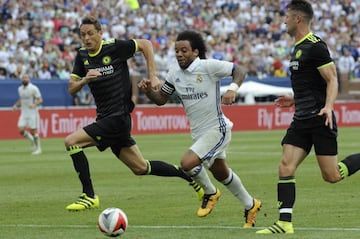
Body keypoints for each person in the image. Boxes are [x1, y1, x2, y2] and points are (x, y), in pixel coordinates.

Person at [64, 16, 204, 211]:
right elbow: (72, 88)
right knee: (141, 168)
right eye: (82, 35)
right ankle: (188, 176)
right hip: (105, 118)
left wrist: (152, 75)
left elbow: (145, 44)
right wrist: (84, 80)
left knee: (71, 142)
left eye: (90, 34)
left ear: (99, 33)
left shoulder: (114, 47)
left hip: (118, 117)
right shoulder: (82, 56)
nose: (86, 38)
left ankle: (89, 195)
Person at [256, 0, 360, 234]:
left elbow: (332, 79)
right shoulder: (297, 47)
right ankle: (284, 223)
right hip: (301, 119)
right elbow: (310, 84)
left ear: (298, 19)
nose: (283, 20)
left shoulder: (316, 46)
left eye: (286, 17)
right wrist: (294, 99)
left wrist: (329, 107)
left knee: (332, 176)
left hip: (320, 118)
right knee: (285, 166)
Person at [138, 30, 261, 227]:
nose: (179, 54)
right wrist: (148, 92)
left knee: (187, 163)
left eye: (184, 50)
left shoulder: (208, 67)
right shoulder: (174, 73)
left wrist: (232, 89)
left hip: (217, 129)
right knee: (222, 174)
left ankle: (210, 193)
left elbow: (240, 70)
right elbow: (161, 99)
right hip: (199, 134)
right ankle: (251, 204)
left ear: (195, 52)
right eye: (176, 50)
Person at [12, 74, 42, 155]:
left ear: (29, 79)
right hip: (24, 113)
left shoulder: (33, 88)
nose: (25, 79)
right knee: (21, 130)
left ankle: (38, 148)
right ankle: (31, 140)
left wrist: (34, 104)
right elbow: (21, 100)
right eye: (23, 78)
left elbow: (40, 99)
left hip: (33, 113)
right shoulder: (20, 89)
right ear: (22, 79)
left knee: (33, 131)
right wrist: (16, 105)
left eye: (26, 78)